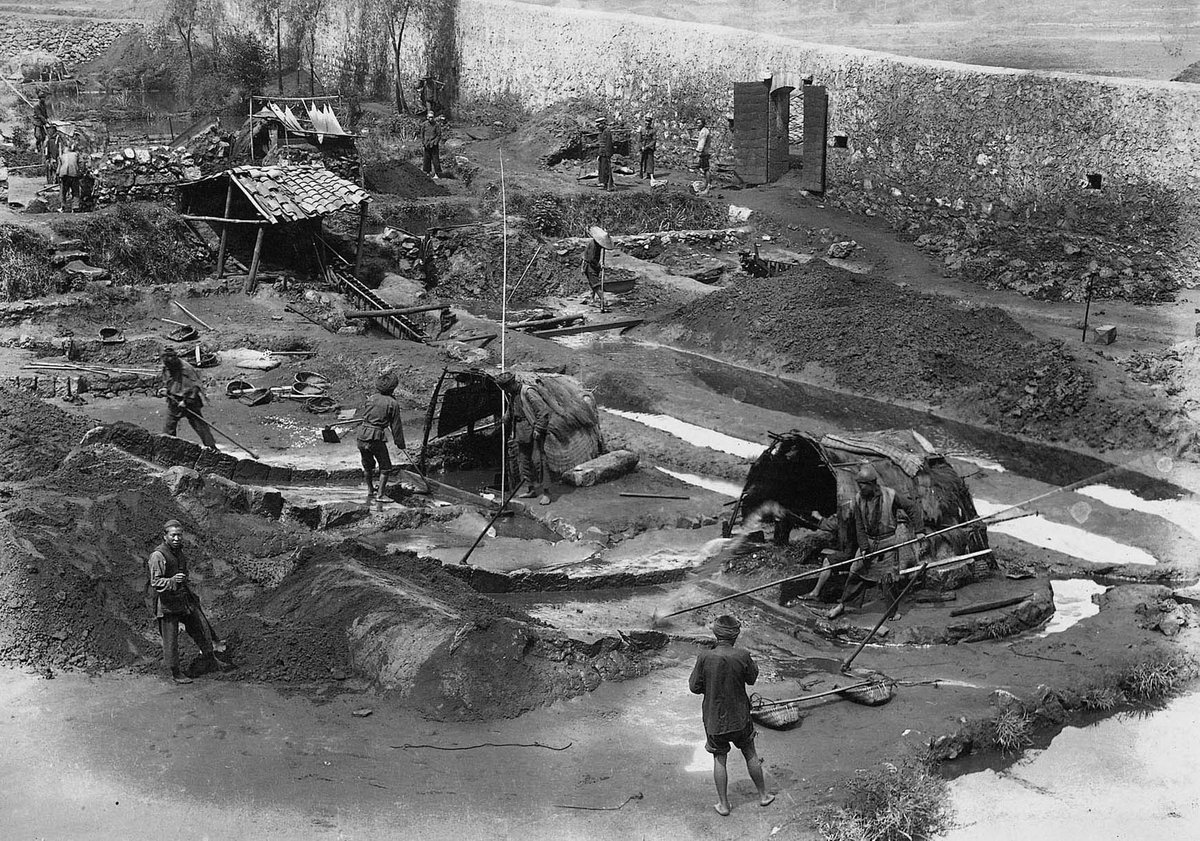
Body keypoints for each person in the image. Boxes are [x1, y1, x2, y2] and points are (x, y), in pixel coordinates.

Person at [689, 615, 775, 817]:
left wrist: (710, 686)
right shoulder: (743, 655)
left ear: (715, 634)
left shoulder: (704, 657)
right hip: (740, 717)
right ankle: (763, 795)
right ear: (736, 635)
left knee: (720, 759)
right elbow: (752, 679)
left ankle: (724, 805)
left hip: (714, 719)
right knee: (750, 753)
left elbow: (694, 687)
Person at [827, 463, 925, 620]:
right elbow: (859, 526)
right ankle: (844, 605)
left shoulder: (891, 495)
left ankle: (893, 613)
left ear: (872, 484)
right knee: (855, 573)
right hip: (869, 542)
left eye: (863, 485)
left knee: (888, 579)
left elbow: (912, 508)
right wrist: (864, 547)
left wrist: (919, 531)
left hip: (887, 542)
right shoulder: (859, 499)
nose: (860, 489)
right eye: (859, 485)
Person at [147, 520, 226, 684]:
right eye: (173, 535)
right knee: (171, 639)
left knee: (200, 627)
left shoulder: (178, 552)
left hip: (182, 599)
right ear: (165, 536)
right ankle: (175, 673)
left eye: (179, 535)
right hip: (167, 602)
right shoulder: (158, 555)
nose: (176, 538)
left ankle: (210, 659)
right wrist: (173, 580)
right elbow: (155, 582)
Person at [496, 371, 552, 505]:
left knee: (539, 461)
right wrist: (506, 419)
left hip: (533, 429)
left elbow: (543, 411)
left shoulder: (528, 392)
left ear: (511, 384)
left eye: (506, 387)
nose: (506, 390)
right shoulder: (511, 394)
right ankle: (531, 489)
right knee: (524, 462)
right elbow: (512, 410)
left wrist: (539, 428)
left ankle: (546, 493)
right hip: (520, 431)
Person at [357, 372, 407, 506]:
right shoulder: (393, 403)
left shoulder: (371, 398)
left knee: (367, 465)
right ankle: (380, 495)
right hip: (375, 437)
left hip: (362, 436)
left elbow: (369, 415)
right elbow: (396, 426)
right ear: (393, 388)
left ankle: (370, 490)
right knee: (385, 467)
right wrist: (400, 443)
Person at [161, 348, 217, 449]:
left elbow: (195, 387)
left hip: (190, 402)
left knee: (199, 426)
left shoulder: (187, 368)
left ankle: (212, 447)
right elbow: (167, 380)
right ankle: (167, 447)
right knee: (169, 426)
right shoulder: (167, 366)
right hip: (174, 401)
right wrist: (165, 389)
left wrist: (185, 401)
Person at [580, 227, 611, 309]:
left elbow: (597, 257)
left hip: (593, 266)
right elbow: (591, 259)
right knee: (596, 285)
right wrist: (599, 265)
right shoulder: (593, 246)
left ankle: (592, 299)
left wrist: (600, 264)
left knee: (593, 283)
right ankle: (603, 300)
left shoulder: (598, 245)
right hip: (590, 267)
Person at [57, 141, 80, 213]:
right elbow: (80, 165)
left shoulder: (61, 156)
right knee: (75, 191)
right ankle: (75, 207)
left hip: (64, 175)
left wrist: (58, 177)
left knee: (63, 191)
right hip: (74, 174)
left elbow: (58, 170)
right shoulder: (76, 155)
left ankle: (62, 207)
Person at [420, 111, 442, 179]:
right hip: (427, 144)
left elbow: (439, 135)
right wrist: (423, 142)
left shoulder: (437, 125)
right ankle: (427, 173)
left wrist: (435, 143)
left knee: (435, 160)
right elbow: (422, 134)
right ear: (427, 117)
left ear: (434, 117)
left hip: (434, 145)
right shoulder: (424, 125)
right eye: (429, 117)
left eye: (432, 117)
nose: (431, 119)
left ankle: (436, 174)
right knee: (426, 159)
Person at [695, 118, 713, 194]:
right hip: (705, 151)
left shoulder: (704, 132)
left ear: (703, 124)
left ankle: (708, 185)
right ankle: (707, 184)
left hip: (704, 152)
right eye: (697, 123)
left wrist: (697, 152)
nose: (697, 125)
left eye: (699, 123)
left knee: (706, 169)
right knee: (704, 168)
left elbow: (702, 143)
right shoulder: (703, 131)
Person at [595, 117, 614, 192]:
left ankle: (608, 185)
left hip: (605, 154)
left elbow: (608, 144)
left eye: (599, 125)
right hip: (602, 153)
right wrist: (599, 154)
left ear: (603, 124)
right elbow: (601, 144)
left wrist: (608, 154)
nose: (598, 127)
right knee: (602, 169)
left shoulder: (607, 131)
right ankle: (603, 183)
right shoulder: (603, 132)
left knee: (606, 169)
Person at [637, 114, 657, 184]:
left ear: (651, 123)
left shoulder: (653, 130)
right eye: (646, 121)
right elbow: (639, 140)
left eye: (649, 122)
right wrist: (641, 146)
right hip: (642, 148)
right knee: (641, 161)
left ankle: (651, 176)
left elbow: (654, 140)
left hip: (649, 148)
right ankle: (643, 174)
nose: (647, 123)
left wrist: (647, 147)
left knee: (650, 161)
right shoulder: (642, 130)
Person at [32, 90, 50, 155]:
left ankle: (42, 148)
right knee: (38, 136)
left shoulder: (44, 104)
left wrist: (47, 118)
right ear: (40, 98)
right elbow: (39, 115)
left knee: (44, 136)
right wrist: (45, 121)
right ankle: (37, 148)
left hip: (42, 122)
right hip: (37, 122)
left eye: (44, 98)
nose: (44, 99)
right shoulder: (36, 105)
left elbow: (45, 113)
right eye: (43, 98)